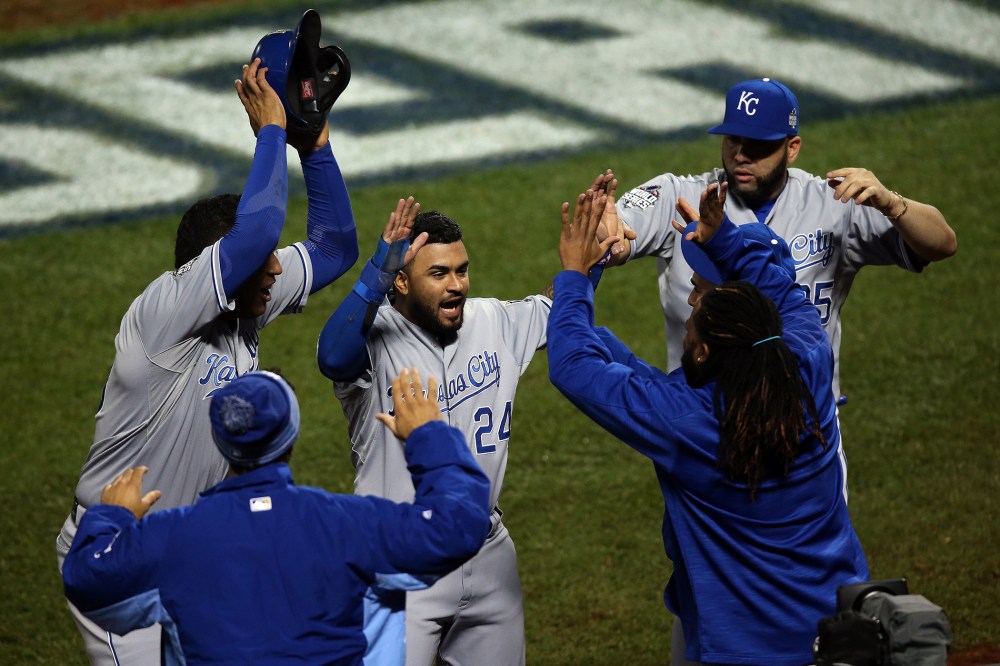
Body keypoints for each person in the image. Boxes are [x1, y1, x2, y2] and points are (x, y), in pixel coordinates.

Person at [56, 57, 359, 664]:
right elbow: (256, 232)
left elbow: (333, 245)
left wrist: (314, 142)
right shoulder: (163, 317)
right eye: (265, 261)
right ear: (214, 271)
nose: (279, 267)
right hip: (120, 546)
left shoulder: (251, 302)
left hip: (193, 547)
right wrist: (270, 131)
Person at [547, 183, 869, 665]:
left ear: (701, 352)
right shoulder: (809, 361)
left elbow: (574, 367)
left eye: (697, 307)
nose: (693, 303)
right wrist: (725, 242)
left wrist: (577, 277)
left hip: (740, 645)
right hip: (843, 629)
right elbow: (782, 290)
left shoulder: (688, 420)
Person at [62, 369, 492, 666]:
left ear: (222, 441)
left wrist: (111, 516)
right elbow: (456, 524)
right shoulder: (347, 525)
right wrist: (427, 434)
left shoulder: (171, 538)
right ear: (292, 435)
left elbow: (88, 578)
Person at [602, 76, 957, 401]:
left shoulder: (833, 204)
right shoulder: (678, 198)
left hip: (802, 423)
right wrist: (608, 237)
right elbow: (615, 234)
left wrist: (893, 204)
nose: (741, 154)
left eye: (757, 144)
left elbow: (942, 244)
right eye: (733, 140)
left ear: (792, 147)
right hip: (699, 419)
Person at [317, 198, 551, 666]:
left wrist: (588, 264)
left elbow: (558, 311)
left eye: (462, 271)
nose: (457, 286)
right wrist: (375, 272)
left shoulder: (493, 321)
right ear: (400, 280)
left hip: (486, 551)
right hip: (399, 559)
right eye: (439, 274)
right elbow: (331, 356)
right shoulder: (373, 337)